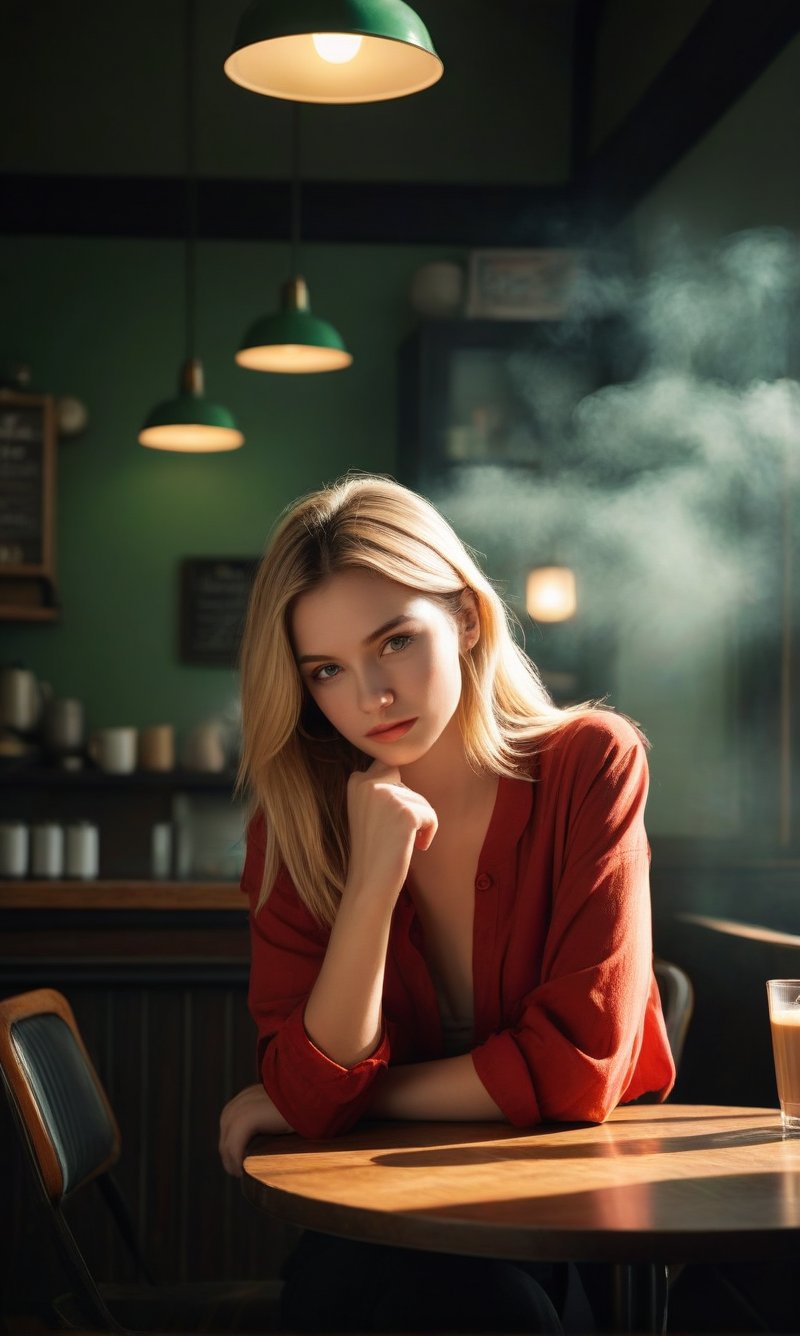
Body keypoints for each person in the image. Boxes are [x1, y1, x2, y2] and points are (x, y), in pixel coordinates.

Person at [218, 473, 675, 1333]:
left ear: (465, 616)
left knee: (487, 1301)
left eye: (394, 642)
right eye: (327, 670)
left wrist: (355, 1097)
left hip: (561, 1218)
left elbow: (578, 1071)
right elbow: (314, 1095)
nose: (369, 697)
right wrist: (371, 881)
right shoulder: (292, 827)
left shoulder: (590, 764)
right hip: (371, 1236)